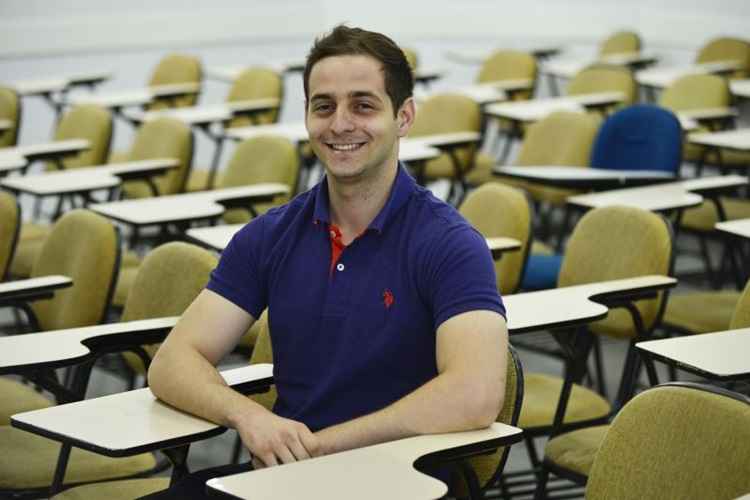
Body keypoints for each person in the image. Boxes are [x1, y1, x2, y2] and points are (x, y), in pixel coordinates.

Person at [144, 25, 508, 498]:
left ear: (404, 116)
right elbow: (172, 362)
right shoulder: (270, 236)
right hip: (287, 477)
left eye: (363, 105)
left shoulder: (450, 243)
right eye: (324, 106)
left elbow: (475, 394)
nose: (339, 124)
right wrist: (250, 417)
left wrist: (320, 447)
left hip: (399, 481)